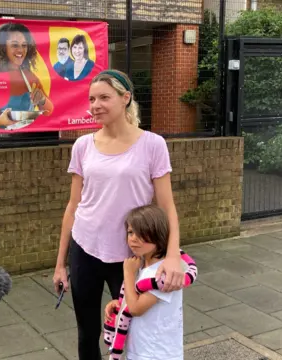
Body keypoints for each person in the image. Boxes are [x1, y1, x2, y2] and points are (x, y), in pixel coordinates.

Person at [52, 69, 183, 360]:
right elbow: (73, 206)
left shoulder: (152, 144)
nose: (95, 105)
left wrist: (172, 256)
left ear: (125, 98)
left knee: (134, 330)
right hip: (85, 249)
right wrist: (61, 263)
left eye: (103, 97)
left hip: (130, 256)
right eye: (91, 99)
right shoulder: (83, 145)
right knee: (87, 332)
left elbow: (167, 206)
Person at [103, 204, 184, 360]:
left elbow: (135, 309)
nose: (133, 238)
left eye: (141, 233)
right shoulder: (142, 266)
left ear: (158, 235)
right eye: (130, 232)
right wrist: (118, 304)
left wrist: (128, 273)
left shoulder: (162, 273)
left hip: (157, 354)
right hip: (143, 349)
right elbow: (135, 299)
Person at [0, 22, 54, 129]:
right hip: (2, 139)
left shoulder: (29, 76)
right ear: (2, 48)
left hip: (28, 137)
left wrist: (42, 100)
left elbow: (48, 111)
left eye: (24, 45)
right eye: (15, 45)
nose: (21, 50)